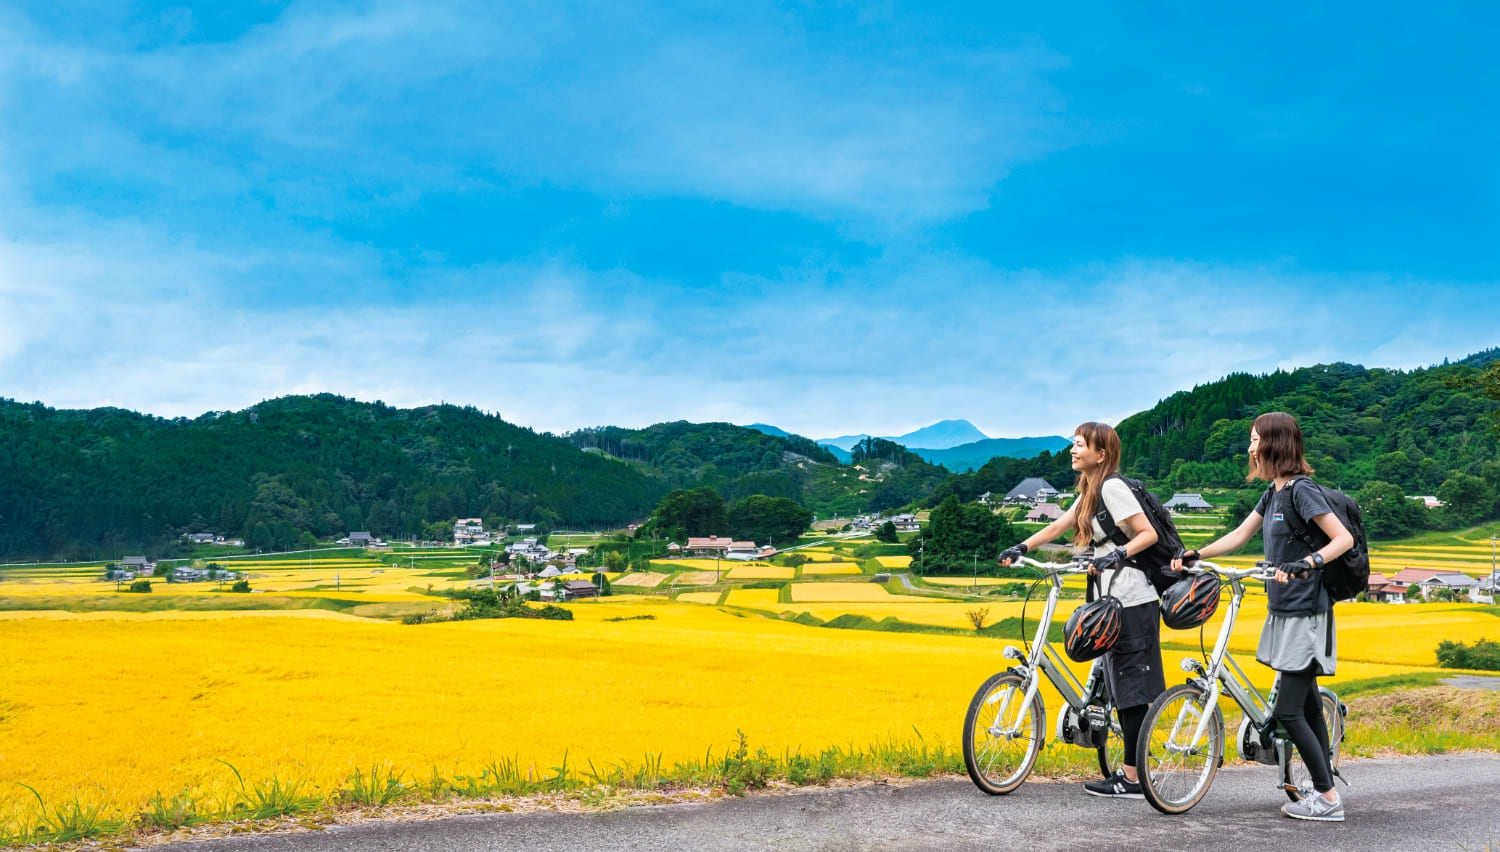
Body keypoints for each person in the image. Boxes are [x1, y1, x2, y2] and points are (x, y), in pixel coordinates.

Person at [1175, 412, 1353, 822]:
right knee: (1306, 707)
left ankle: (1327, 800)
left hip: (1307, 613)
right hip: (1284, 611)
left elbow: (1341, 538)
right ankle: (1324, 793)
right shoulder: (1273, 493)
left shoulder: (1300, 491)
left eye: (1255, 439)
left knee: (1288, 712)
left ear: (1275, 443)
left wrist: (1308, 561)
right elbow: (1240, 535)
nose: (1250, 447)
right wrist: (1198, 554)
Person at [997, 422, 1164, 799]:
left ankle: (1134, 778)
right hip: (1111, 600)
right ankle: (1115, 754)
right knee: (1116, 682)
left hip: (1134, 600)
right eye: (1073, 444)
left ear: (1100, 454)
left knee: (1132, 692)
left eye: (1079, 445)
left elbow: (1147, 534)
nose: (1072, 451)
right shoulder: (1091, 489)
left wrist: (1117, 554)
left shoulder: (1112, 487)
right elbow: (1060, 525)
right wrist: (1022, 547)